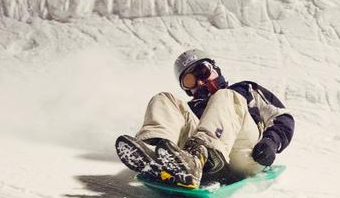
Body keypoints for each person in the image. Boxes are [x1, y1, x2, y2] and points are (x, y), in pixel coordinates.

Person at [115, 49, 295, 188]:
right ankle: (156, 153)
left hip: (246, 155)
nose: (200, 82)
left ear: (215, 69)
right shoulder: (190, 109)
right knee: (165, 99)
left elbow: (282, 116)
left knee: (224, 96)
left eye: (202, 71)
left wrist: (271, 142)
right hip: (207, 165)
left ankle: (197, 157)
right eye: (190, 80)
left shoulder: (243, 90)